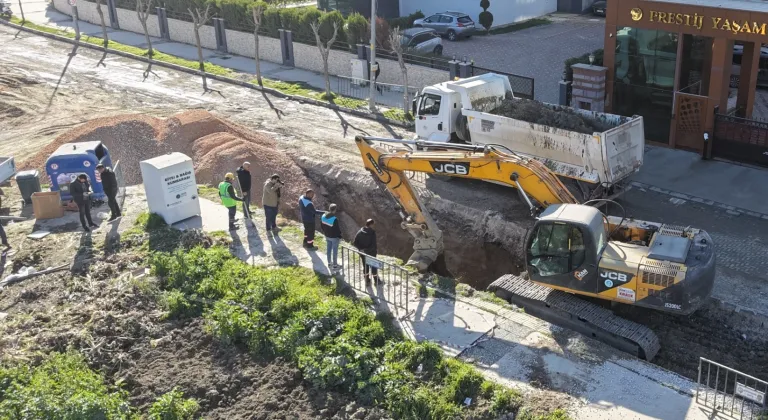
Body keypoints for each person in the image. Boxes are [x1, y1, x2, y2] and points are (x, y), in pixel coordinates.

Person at [353, 219, 379, 285]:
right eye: (373, 224)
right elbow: (373, 244)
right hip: (371, 253)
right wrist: (370, 251)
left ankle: (367, 280)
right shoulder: (372, 233)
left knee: (365, 266)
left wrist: (361, 249)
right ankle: (376, 281)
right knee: (373, 266)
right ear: (371, 224)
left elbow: (355, 242)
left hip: (362, 253)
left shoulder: (360, 231)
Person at [320, 204, 342, 272]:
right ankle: (335, 265)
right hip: (334, 238)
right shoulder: (334, 219)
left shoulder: (323, 216)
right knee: (335, 251)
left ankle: (329, 263)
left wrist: (325, 233)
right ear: (335, 210)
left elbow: (322, 226)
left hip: (327, 236)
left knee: (328, 249)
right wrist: (340, 236)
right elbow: (337, 230)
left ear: (329, 209)